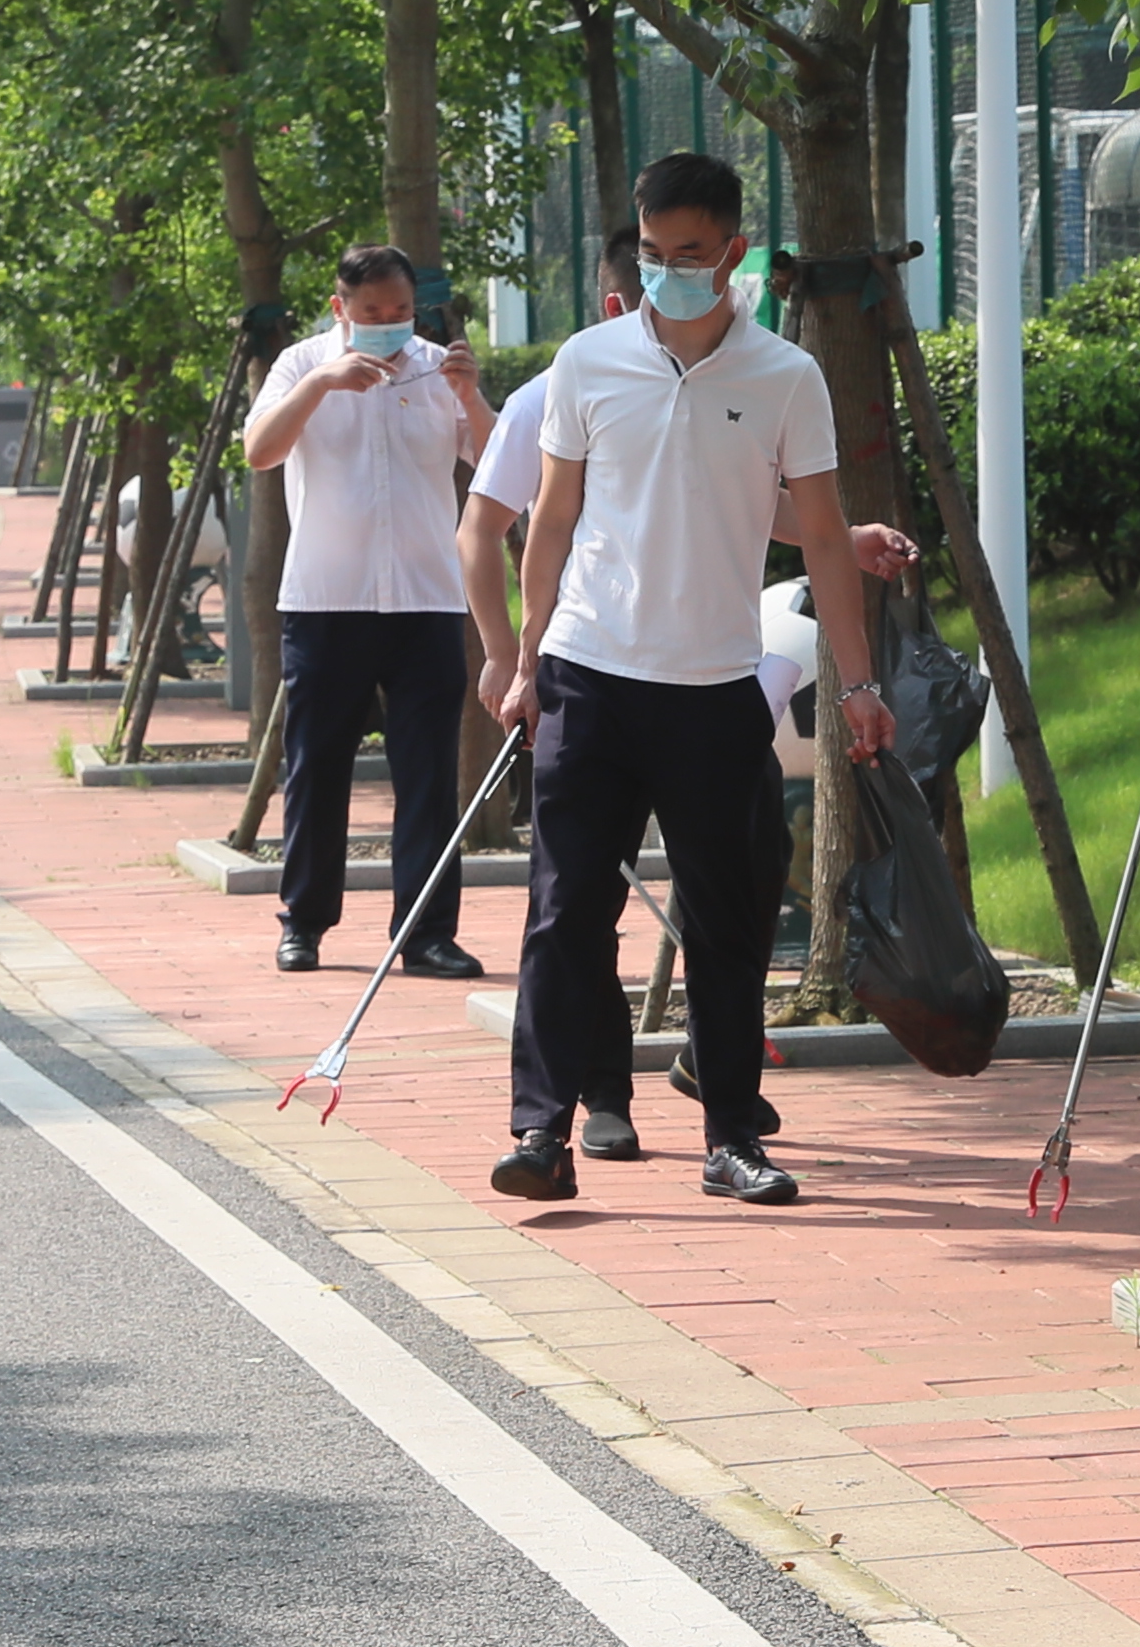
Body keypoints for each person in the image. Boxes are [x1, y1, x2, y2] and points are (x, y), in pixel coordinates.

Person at [485, 153, 887, 1208]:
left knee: (728, 917)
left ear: (734, 255)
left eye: (692, 256)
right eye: (655, 256)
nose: (671, 273)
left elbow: (828, 541)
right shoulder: (587, 362)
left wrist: (858, 684)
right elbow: (553, 522)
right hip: (589, 673)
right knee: (565, 910)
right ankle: (540, 1131)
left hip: (714, 687)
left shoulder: (785, 378)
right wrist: (526, 663)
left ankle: (730, 1138)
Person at [246, 239, 491, 976]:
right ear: (340, 307)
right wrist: (322, 383)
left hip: (426, 598)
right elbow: (259, 450)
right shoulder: (300, 365)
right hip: (328, 600)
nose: (390, 325)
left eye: (402, 311)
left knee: (427, 774)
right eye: (373, 312)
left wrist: (471, 396)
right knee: (317, 766)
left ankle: (425, 933)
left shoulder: (435, 366)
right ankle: (305, 922)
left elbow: (499, 461)